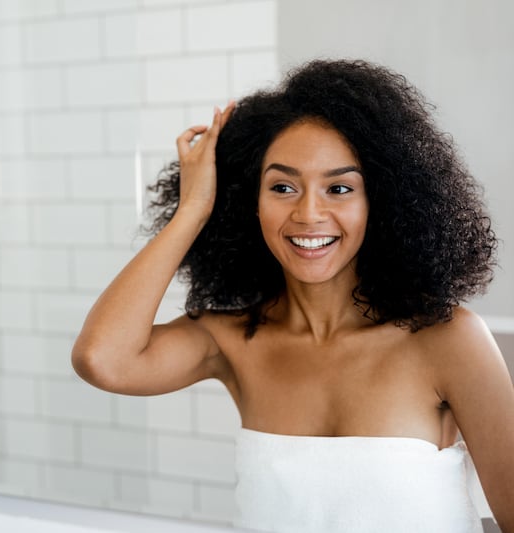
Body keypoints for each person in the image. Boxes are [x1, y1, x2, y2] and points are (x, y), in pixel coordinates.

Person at [72, 60, 513, 532]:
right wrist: (194, 209)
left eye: (339, 188)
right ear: (249, 202)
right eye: (282, 187)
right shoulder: (233, 339)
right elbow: (103, 360)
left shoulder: (446, 340)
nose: (308, 214)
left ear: (381, 203)